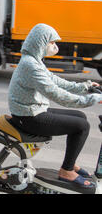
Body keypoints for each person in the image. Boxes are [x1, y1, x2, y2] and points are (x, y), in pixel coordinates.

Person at [8, 23, 102, 188]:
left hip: (32, 110)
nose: (54, 46)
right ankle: (66, 171)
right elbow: (56, 94)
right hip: (29, 117)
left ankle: (70, 164)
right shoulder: (31, 65)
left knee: (80, 117)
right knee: (82, 126)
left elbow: (56, 81)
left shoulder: (34, 61)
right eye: (51, 43)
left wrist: (85, 86)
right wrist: (91, 100)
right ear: (41, 43)